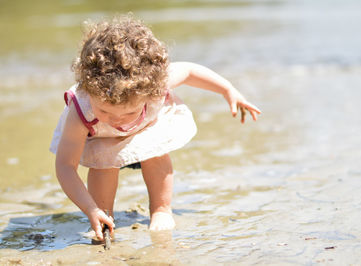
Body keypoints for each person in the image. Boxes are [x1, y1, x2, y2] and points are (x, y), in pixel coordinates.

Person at [50, 14, 261, 241]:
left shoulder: (151, 82)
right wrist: (90, 208)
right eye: (105, 112)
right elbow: (65, 166)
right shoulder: (81, 110)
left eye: (129, 112)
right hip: (102, 139)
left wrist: (228, 90)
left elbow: (189, 71)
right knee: (103, 167)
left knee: (156, 155)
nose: (118, 119)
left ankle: (161, 209)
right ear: (89, 92)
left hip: (147, 128)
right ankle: (104, 216)